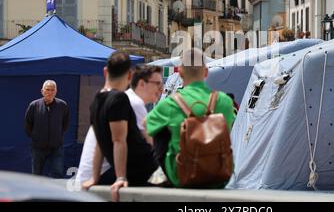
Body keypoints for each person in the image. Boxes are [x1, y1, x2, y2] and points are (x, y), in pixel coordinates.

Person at [147, 47, 235, 187]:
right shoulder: (225, 102)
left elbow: (146, 127)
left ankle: (161, 174)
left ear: (180, 72)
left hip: (182, 177)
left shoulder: (169, 104)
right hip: (220, 176)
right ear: (206, 72)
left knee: (161, 131)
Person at [82, 51, 158, 201]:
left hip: (138, 169)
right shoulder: (119, 98)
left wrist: (95, 177)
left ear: (105, 71)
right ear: (130, 76)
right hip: (144, 168)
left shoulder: (95, 100)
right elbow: (119, 140)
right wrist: (120, 177)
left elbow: (99, 143)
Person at [24, 80, 70, 178]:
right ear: (42, 91)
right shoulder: (34, 105)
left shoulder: (62, 105)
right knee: (36, 175)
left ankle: (56, 194)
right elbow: (28, 124)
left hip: (56, 148)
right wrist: (36, 137)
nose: (50, 92)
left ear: (56, 91)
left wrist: (57, 136)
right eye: (47, 89)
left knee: (57, 174)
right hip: (38, 148)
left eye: (52, 90)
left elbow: (65, 123)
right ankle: (36, 193)